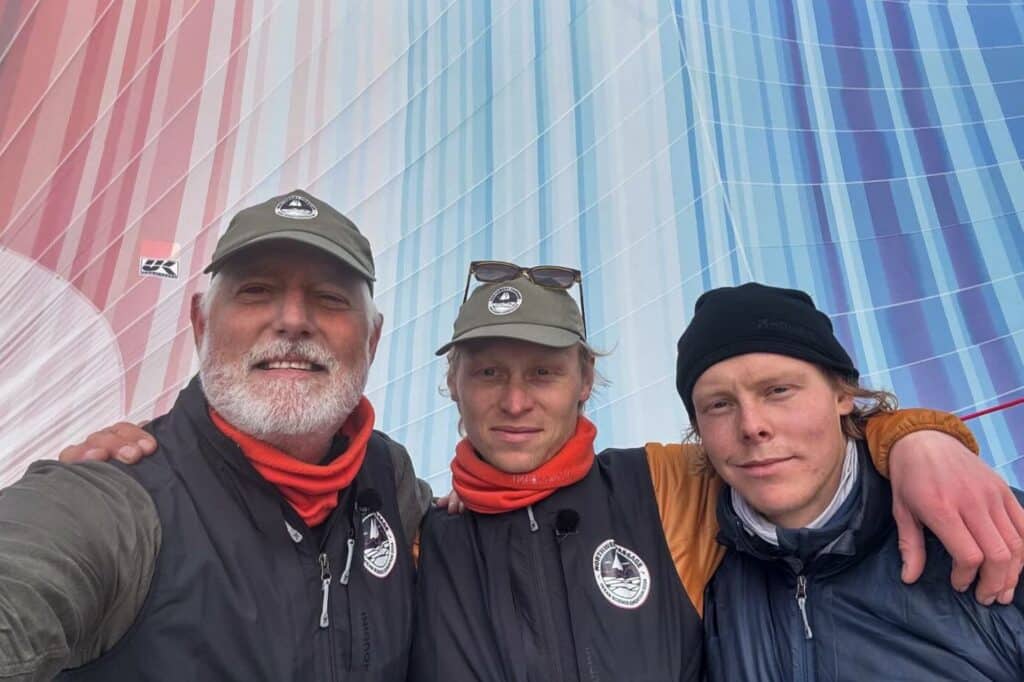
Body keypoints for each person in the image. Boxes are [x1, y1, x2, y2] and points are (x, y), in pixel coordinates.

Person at [405, 263, 1020, 681]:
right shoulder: (418, 534)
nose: (516, 402)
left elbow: (821, 449)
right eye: (487, 373)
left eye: (543, 372)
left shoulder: (668, 484)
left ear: (586, 381)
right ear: (452, 384)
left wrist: (920, 439)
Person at [0, 190, 431, 680]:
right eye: (256, 291)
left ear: (372, 339)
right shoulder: (113, 505)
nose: (292, 321)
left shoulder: (389, 481)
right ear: (200, 321)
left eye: (330, 298)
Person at [677, 283, 1024, 680]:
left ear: (842, 394)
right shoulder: (691, 560)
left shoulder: (988, 525)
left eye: (778, 391)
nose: (752, 426)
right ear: (697, 428)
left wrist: (918, 435)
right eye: (719, 404)